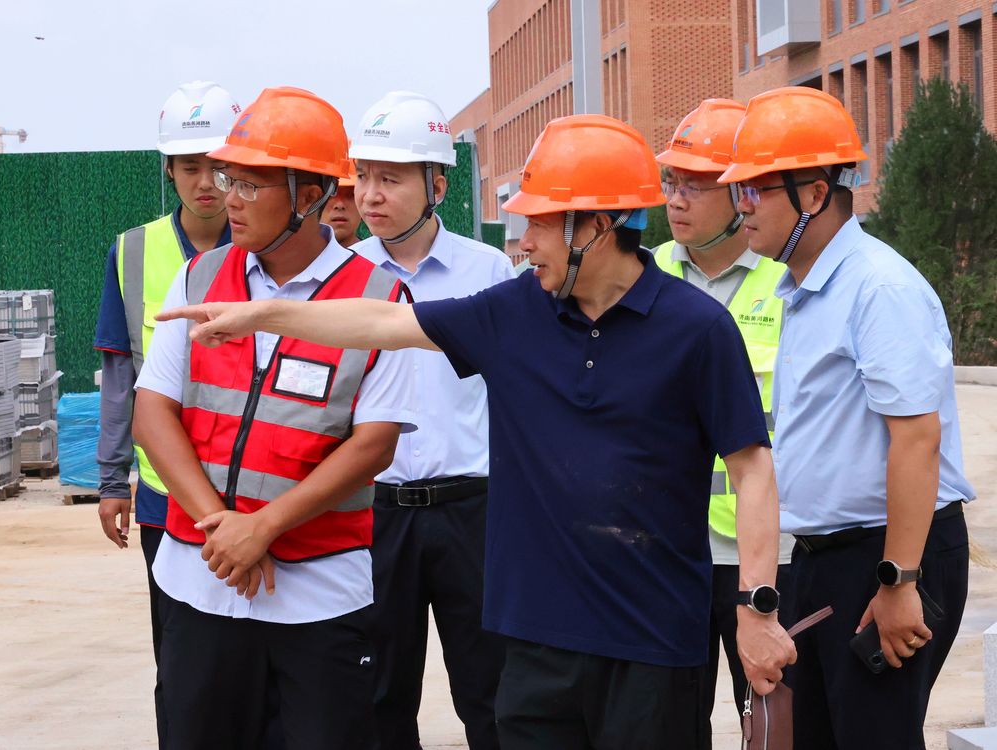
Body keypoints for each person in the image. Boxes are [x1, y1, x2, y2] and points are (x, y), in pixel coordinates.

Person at [158, 112, 796, 750]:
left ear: (596, 227)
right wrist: (262, 314)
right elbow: (384, 324)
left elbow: (752, 470)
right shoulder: (517, 311)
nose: (524, 243)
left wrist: (756, 607)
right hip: (535, 643)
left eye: (539, 223)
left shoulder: (697, 329)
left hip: (652, 642)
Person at [131, 86, 416, 750]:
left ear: (311, 195)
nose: (226, 196)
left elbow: (373, 445)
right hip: (200, 581)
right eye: (228, 178)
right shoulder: (198, 278)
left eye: (249, 185)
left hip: (318, 593)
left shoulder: (379, 299)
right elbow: (152, 413)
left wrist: (263, 528)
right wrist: (222, 530)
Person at [717, 85, 976, 749]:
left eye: (756, 189)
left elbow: (917, 440)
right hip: (825, 558)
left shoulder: (878, 288)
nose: (741, 205)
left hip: (887, 557)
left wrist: (899, 581)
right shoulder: (806, 288)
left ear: (813, 193)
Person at [349, 90, 513, 750]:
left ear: (436, 185)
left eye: (390, 178)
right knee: (377, 696)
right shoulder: (344, 279)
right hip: (374, 514)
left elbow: (514, 394)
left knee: (493, 692)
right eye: (363, 176)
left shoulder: (489, 271)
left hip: (473, 513)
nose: (370, 194)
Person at [92, 79, 239, 741]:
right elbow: (119, 377)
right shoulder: (132, 252)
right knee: (181, 663)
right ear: (169, 171)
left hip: (256, 490)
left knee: (262, 660)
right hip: (163, 496)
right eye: (189, 167)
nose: (205, 183)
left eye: (218, 167)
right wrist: (109, 481)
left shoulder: (269, 248)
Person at [653, 98, 796, 721]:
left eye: (695, 185)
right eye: (671, 182)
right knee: (664, 721)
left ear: (742, 192)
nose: (675, 200)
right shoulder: (644, 277)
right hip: (667, 546)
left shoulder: (789, 282)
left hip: (766, 556)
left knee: (769, 720)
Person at [321, 156, 362, 247]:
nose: (340, 205)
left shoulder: (379, 256)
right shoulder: (292, 254)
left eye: (350, 195)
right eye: (331, 194)